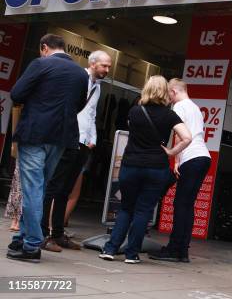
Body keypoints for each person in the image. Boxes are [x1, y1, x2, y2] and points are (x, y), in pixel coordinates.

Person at [7, 34, 88, 262]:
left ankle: (32, 244)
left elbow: (17, 94)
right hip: (62, 137)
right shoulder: (81, 73)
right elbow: (79, 104)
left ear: (44, 47)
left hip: (35, 133)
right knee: (39, 189)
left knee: (33, 188)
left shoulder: (41, 64)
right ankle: (23, 237)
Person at [99, 76, 191, 264]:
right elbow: (187, 137)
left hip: (131, 165)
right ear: (165, 91)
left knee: (126, 208)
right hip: (156, 168)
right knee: (143, 211)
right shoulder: (169, 115)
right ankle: (131, 254)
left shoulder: (134, 111)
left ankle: (110, 249)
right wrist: (172, 151)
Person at [40, 50, 112, 252]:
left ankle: (58, 233)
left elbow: (91, 113)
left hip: (83, 143)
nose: (107, 70)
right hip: (69, 138)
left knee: (66, 188)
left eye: (108, 66)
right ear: (93, 63)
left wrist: (93, 139)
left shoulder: (98, 86)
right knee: (53, 187)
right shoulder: (79, 78)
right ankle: (42, 234)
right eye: (104, 66)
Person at [149, 78, 211, 262]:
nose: (168, 98)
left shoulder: (179, 107)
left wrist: (173, 155)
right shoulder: (195, 108)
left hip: (191, 157)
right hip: (202, 157)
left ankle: (175, 249)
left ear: (174, 91)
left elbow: (180, 136)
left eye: (169, 94)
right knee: (187, 204)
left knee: (180, 204)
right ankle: (182, 251)